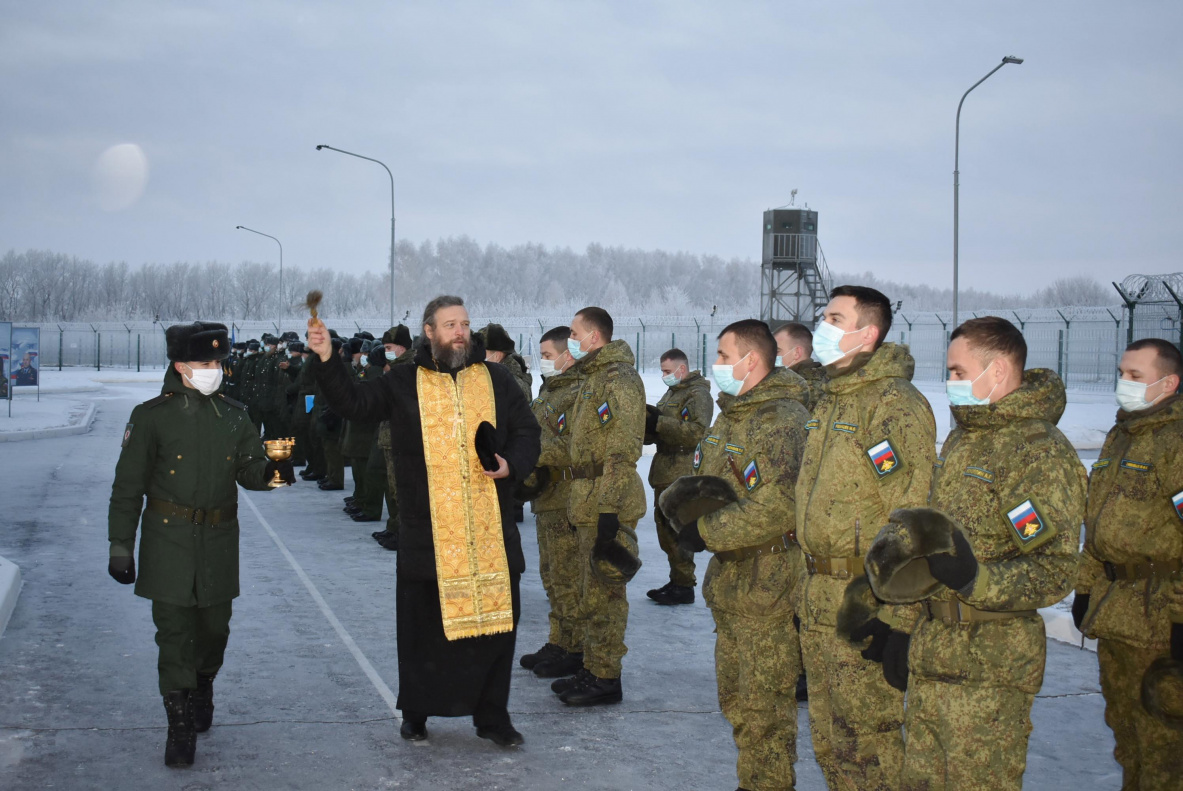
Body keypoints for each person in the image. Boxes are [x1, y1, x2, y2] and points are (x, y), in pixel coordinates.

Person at [858, 316, 1085, 790]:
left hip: (991, 666)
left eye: (959, 372)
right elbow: (932, 547)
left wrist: (975, 581)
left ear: (998, 371)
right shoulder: (964, 437)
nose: (951, 383)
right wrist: (902, 624)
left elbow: (1055, 569)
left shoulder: (1038, 452)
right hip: (935, 651)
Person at [307, 295, 540, 746]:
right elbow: (354, 403)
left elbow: (528, 430)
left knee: (494, 629)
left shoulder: (496, 379)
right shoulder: (402, 380)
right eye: (450, 324)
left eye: (465, 323)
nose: (460, 331)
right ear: (429, 331)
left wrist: (512, 463)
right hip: (428, 531)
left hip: (489, 531)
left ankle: (493, 716)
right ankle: (417, 710)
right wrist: (326, 358)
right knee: (423, 628)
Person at [107, 321, 295, 768]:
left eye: (217, 362)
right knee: (173, 635)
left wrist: (275, 470)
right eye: (204, 363)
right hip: (167, 541)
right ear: (180, 366)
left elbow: (250, 471)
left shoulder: (233, 415)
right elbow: (127, 487)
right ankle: (179, 725)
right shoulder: (150, 416)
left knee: (214, 631)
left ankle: (203, 682)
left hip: (217, 541)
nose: (214, 370)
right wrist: (120, 546)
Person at [794, 285, 936, 790]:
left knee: (869, 745)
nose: (822, 326)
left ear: (867, 333)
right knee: (831, 742)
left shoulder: (894, 405)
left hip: (864, 600)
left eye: (835, 317)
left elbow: (912, 520)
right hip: (819, 598)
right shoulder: (831, 399)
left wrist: (899, 617)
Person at [662, 319, 810, 791]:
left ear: (751, 361)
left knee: (765, 707)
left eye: (724, 356)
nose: (717, 366)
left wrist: (706, 531)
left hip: (768, 580)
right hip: (732, 582)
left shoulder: (782, 419)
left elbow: (778, 503)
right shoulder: (733, 414)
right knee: (739, 702)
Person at [1076, 337, 1183, 790]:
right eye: (1122, 373)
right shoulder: (1121, 436)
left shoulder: (1176, 443)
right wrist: (1084, 589)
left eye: (1136, 376)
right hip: (1116, 615)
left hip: (1159, 623)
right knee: (1127, 738)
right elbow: (1096, 524)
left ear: (1169, 383)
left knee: (1164, 750)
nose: (1124, 383)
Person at [548, 306, 646, 706]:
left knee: (606, 592)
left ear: (594, 336)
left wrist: (608, 510)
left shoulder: (619, 379)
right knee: (591, 591)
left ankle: (606, 676)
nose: (571, 339)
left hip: (608, 499)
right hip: (586, 497)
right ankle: (591, 666)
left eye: (574, 332)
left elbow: (622, 450)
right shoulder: (593, 378)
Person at [518, 325, 587, 678]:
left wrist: (531, 450)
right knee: (551, 575)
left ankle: (575, 648)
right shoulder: (550, 390)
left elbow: (577, 445)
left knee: (567, 576)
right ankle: (560, 640)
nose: (542, 362)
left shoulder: (578, 393)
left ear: (567, 354)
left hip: (567, 496)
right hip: (547, 497)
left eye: (547, 355)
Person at [644, 348, 713, 605]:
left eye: (667, 371)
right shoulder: (673, 392)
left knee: (678, 530)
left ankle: (685, 585)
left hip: (682, 470)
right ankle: (677, 580)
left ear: (681, 370)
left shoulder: (697, 395)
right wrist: (649, 427)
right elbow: (663, 429)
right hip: (664, 468)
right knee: (665, 531)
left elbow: (697, 432)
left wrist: (660, 423)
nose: (663, 376)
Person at [371, 325, 415, 549]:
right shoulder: (397, 368)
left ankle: (403, 534)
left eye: (389, 347)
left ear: (400, 347)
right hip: (392, 436)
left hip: (402, 439)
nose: (386, 351)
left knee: (402, 488)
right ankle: (395, 527)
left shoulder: (408, 369)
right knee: (394, 486)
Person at [773, 321, 826, 412]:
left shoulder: (797, 390)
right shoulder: (824, 381)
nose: (771, 357)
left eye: (777, 351)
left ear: (797, 353)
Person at [479, 323, 533, 398]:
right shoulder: (503, 376)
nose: (478, 357)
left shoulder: (508, 384)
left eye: (482, 353)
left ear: (497, 356)